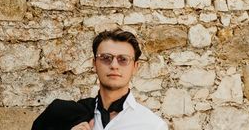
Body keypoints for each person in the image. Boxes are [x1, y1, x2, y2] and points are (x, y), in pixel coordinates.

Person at [32, 29, 168, 130]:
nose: (114, 65)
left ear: (135, 67)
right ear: (94, 64)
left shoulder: (153, 125)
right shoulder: (69, 115)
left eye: (123, 59)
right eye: (106, 58)